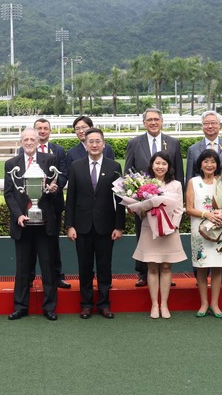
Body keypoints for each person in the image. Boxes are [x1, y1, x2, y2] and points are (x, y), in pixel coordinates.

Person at [65, 128, 125, 319]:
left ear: (104, 144)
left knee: (104, 267)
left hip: (106, 227)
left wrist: (119, 226)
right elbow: (71, 198)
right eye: (90, 141)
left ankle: (104, 304)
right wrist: (70, 225)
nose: (94, 144)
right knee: (84, 267)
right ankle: (86, 304)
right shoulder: (76, 166)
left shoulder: (114, 166)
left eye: (98, 141)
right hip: (81, 227)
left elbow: (120, 199)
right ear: (85, 144)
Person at [124, 108, 183, 287]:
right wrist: (132, 200)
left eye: (156, 119)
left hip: (168, 201)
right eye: (149, 120)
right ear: (144, 123)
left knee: (167, 233)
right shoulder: (134, 142)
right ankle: (143, 272)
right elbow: (128, 172)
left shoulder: (173, 143)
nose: (153, 122)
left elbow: (178, 172)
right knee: (144, 234)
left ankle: (166, 272)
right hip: (143, 201)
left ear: (162, 121)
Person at [5, 128, 60, 321]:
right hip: (23, 225)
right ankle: (20, 307)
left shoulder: (50, 160)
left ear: (38, 141)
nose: (29, 142)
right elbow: (9, 194)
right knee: (22, 269)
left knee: (48, 268)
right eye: (25, 139)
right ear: (21, 142)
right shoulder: (11, 164)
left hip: (45, 224)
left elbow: (56, 189)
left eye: (32, 139)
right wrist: (19, 215)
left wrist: (53, 189)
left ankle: (49, 308)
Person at [185, 110, 222, 287]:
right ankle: (200, 276)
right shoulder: (193, 149)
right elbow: (189, 177)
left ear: (219, 125)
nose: (210, 126)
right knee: (201, 240)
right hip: (201, 204)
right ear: (202, 126)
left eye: (213, 123)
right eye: (206, 123)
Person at [18, 118, 71, 289]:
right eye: (38, 128)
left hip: (51, 204)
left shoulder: (58, 150)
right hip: (29, 205)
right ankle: (30, 277)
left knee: (52, 244)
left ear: (50, 131)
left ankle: (57, 275)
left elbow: (63, 174)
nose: (42, 131)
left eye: (45, 128)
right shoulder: (22, 150)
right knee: (30, 246)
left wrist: (54, 186)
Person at [132, 152, 187, 319]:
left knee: (166, 267)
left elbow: (179, 208)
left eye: (164, 163)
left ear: (169, 166)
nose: (160, 167)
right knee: (152, 267)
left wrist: (173, 226)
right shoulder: (143, 184)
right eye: (157, 163)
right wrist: (136, 207)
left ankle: (164, 304)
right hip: (150, 229)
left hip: (170, 230)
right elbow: (140, 208)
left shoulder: (176, 184)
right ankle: (154, 305)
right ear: (152, 165)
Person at [186, 149, 222, 318]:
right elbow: (189, 209)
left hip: (220, 230)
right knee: (202, 267)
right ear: (200, 164)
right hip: (200, 230)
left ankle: (215, 304)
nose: (209, 165)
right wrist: (207, 214)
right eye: (206, 161)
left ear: (217, 164)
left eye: (213, 161)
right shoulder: (193, 182)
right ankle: (204, 303)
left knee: (217, 267)